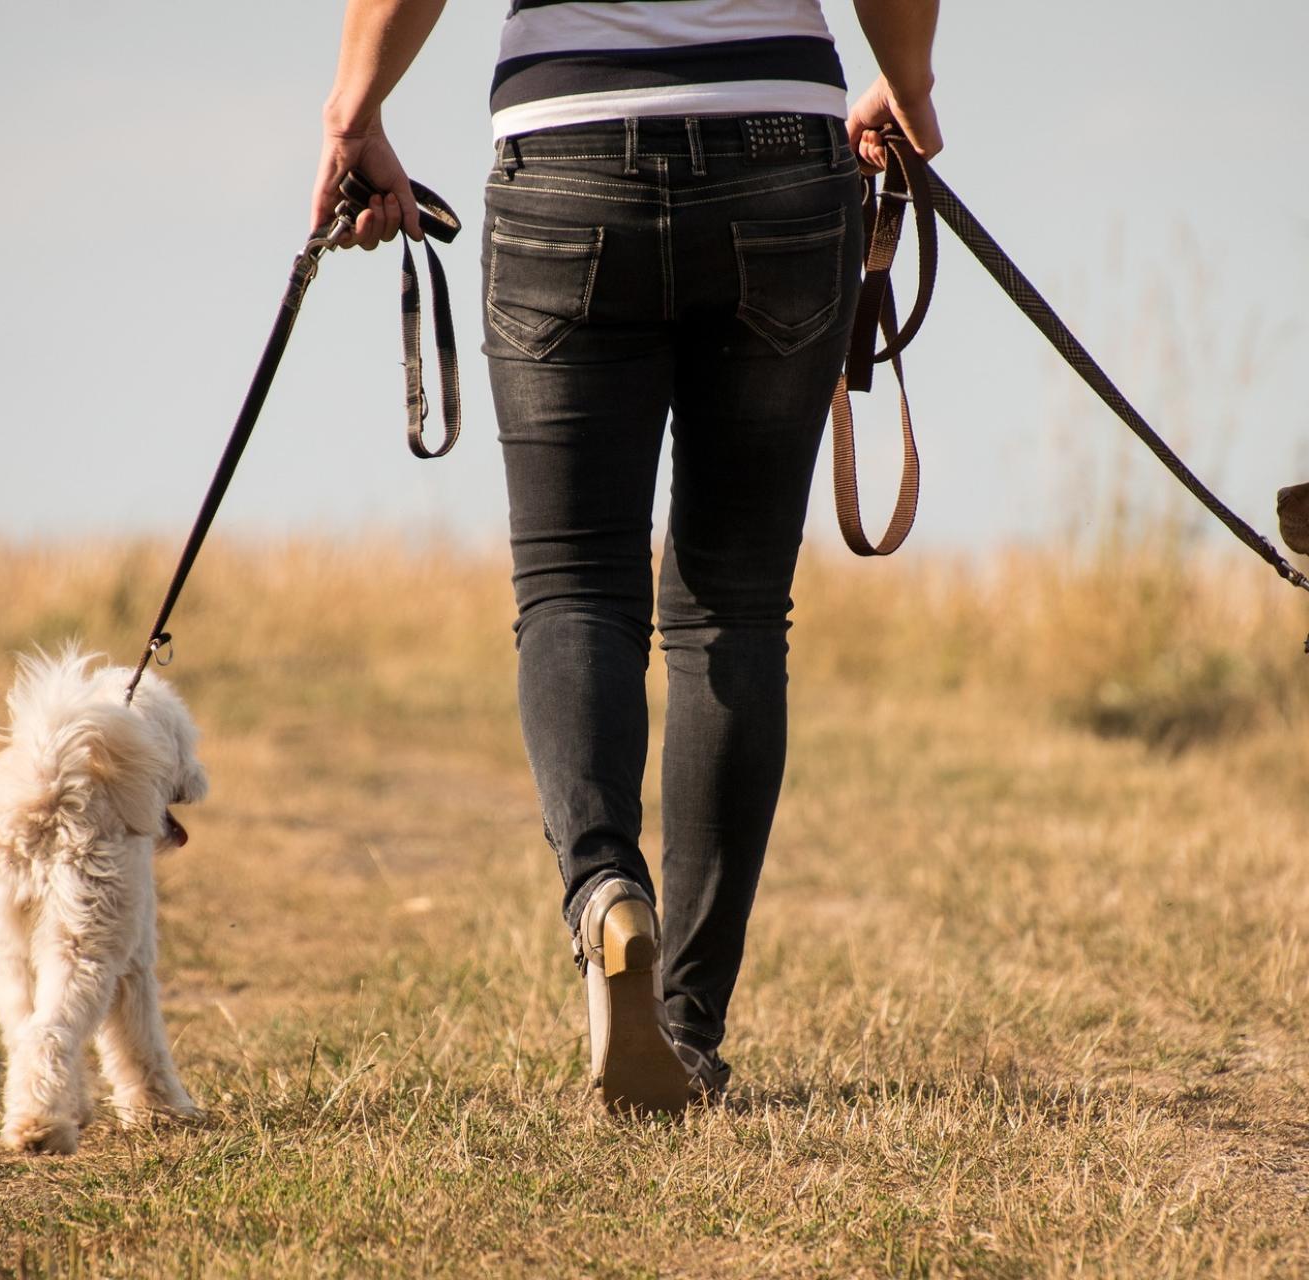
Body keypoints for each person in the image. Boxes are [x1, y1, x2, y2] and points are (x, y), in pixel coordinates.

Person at [314, 0, 942, 1113]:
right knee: (733, 605)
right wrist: (909, 78)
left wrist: (354, 108)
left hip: (568, 149)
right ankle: (687, 1029)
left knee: (573, 585)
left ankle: (606, 889)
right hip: (779, 152)